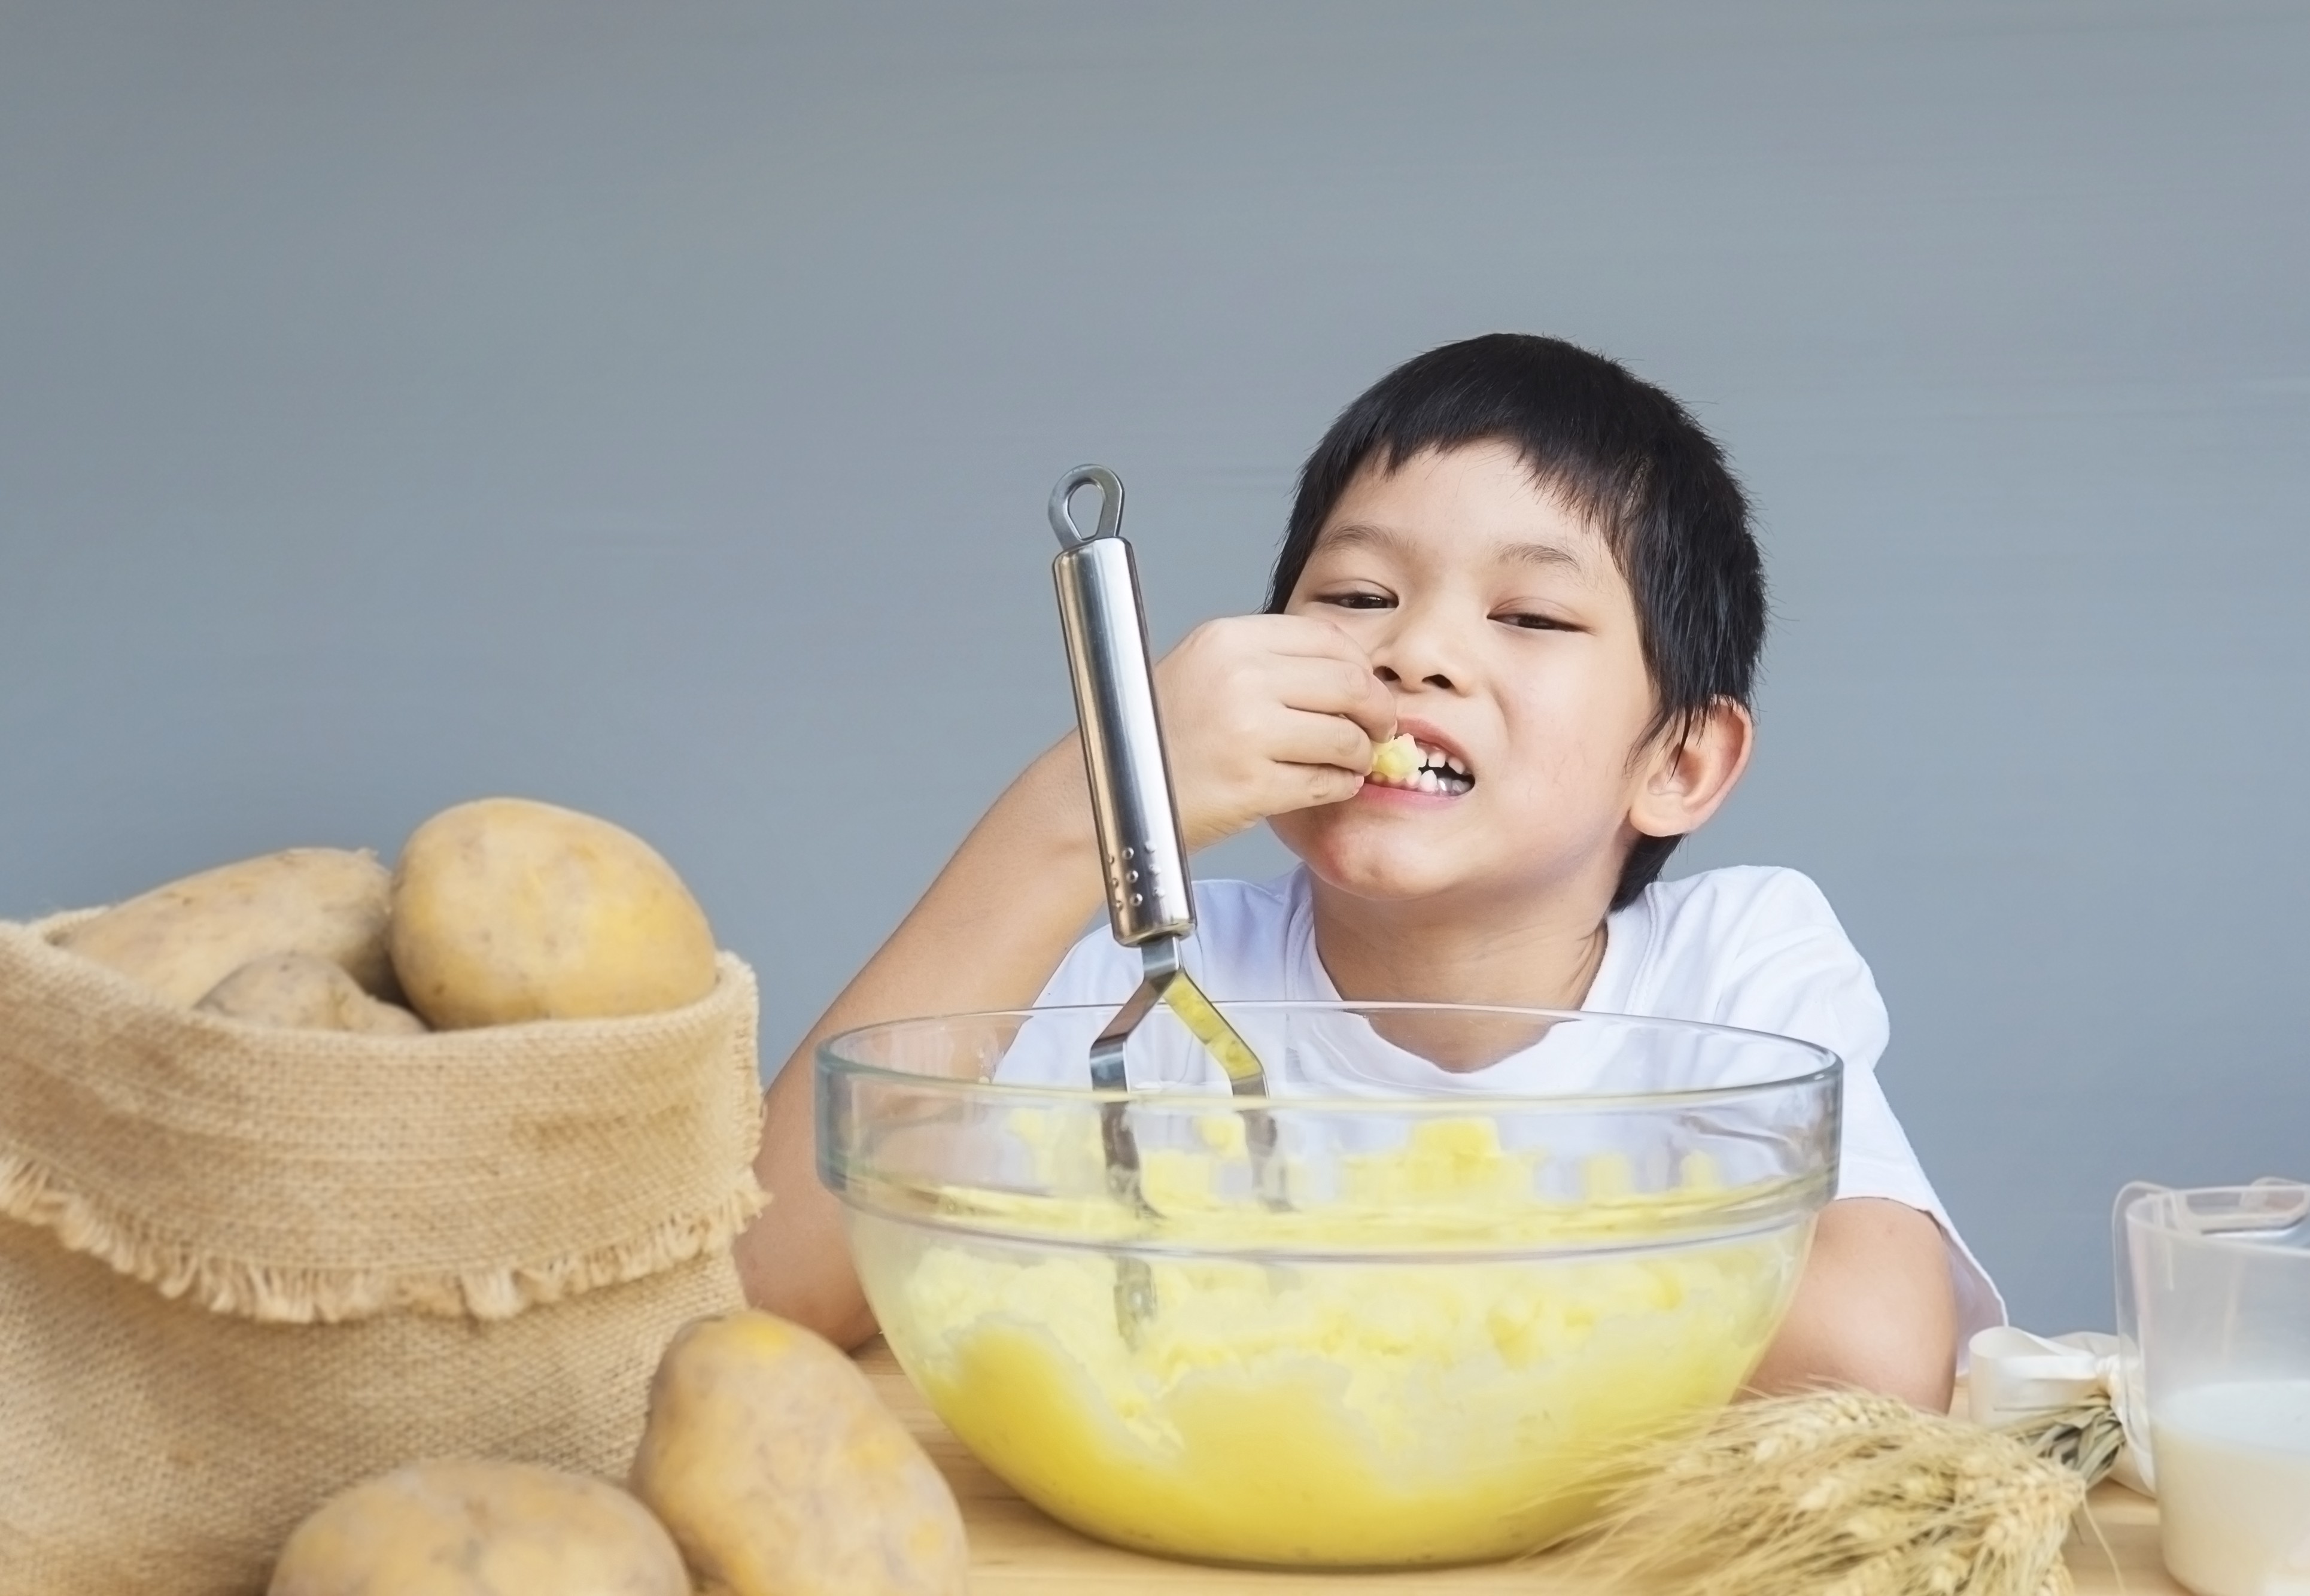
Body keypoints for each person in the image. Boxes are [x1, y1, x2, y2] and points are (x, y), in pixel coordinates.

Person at [738, 332, 2001, 1409]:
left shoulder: (1737, 966)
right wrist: (1088, 806)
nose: (1416, 649)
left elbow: (1867, 1354)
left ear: (1678, 759)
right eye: (1352, 594)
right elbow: (756, 1281)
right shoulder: (1159, 991)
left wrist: (1316, 1276)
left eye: (1530, 615)